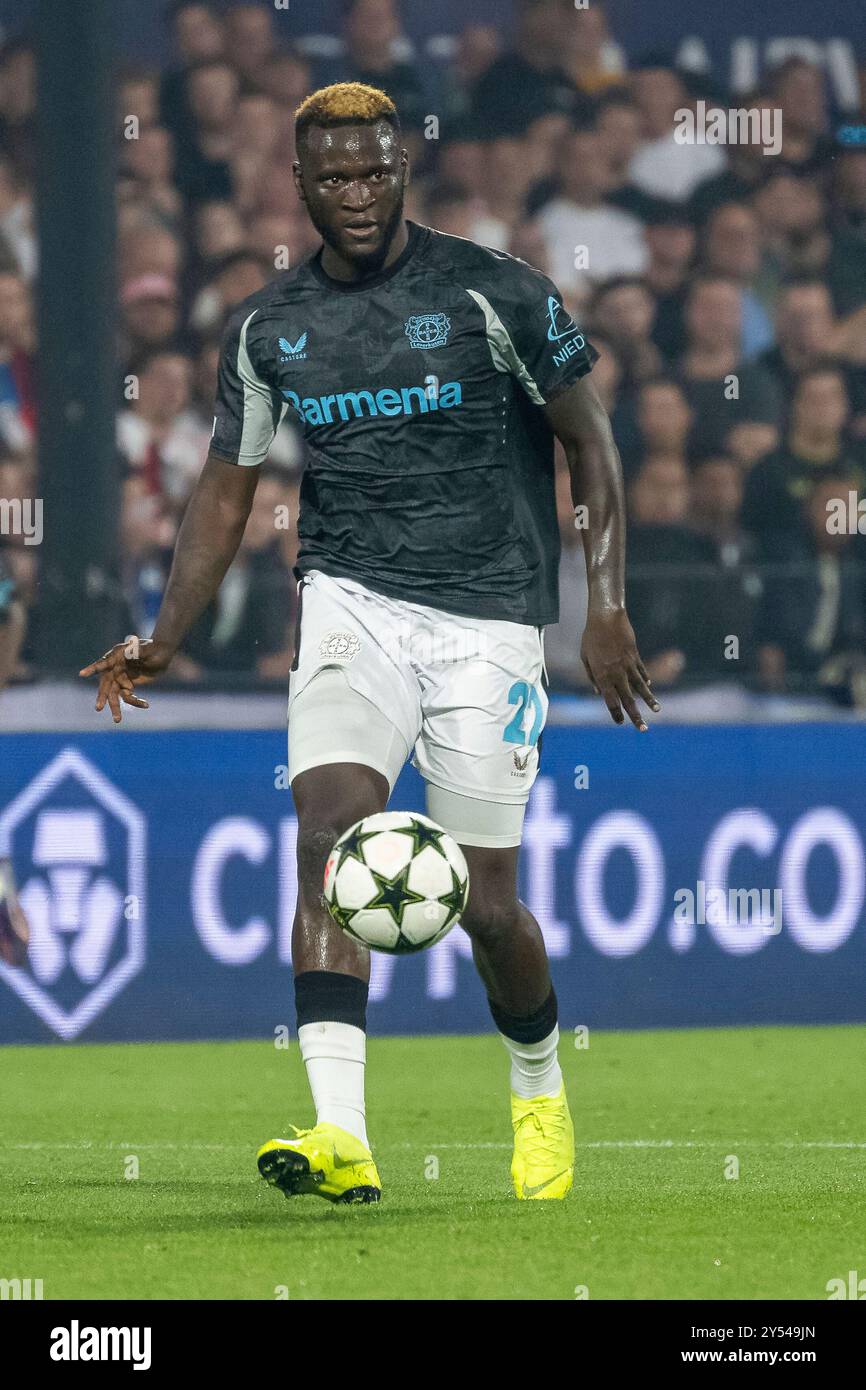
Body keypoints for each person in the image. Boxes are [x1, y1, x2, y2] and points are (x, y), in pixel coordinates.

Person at [81, 83, 656, 1207]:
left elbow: (591, 448)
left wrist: (605, 605)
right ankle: (341, 1131)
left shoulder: (495, 291)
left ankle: (537, 1083)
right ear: (298, 185)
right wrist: (164, 636)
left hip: (490, 616)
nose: (356, 193)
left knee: (488, 906)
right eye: (333, 176)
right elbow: (222, 490)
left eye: (374, 172)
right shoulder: (265, 329)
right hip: (348, 600)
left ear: (404, 171)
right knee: (326, 830)